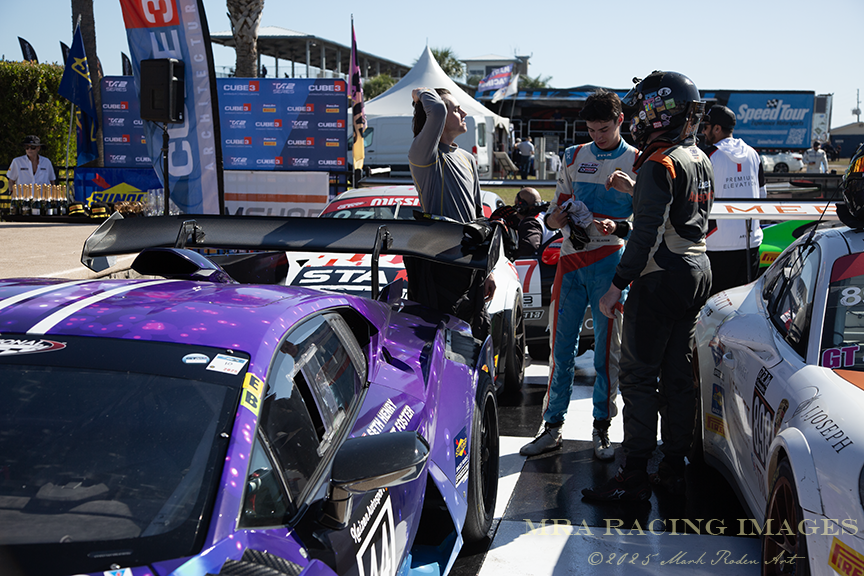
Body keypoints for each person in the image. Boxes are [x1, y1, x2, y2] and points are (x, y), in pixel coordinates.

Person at [584, 71, 713, 501]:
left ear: (660, 112)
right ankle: (673, 465)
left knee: (639, 377)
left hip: (660, 277)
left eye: (642, 109)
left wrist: (615, 285)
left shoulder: (661, 162)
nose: (637, 117)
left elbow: (646, 236)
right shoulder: (697, 157)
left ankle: (634, 474)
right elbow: (673, 218)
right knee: (678, 377)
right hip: (696, 269)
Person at [519, 89, 638, 460]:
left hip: (610, 265)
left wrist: (619, 219)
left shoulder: (637, 160)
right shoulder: (573, 155)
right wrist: (555, 219)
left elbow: (646, 221)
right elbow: (556, 210)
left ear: (620, 121)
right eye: (590, 129)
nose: (596, 136)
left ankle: (602, 429)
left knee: (606, 354)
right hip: (570, 262)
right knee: (560, 351)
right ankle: (552, 427)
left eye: (603, 129)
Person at [407, 87, 495, 339]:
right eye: (456, 109)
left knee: (474, 342)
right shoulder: (424, 155)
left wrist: (486, 272)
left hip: (471, 269)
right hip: (441, 268)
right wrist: (421, 92)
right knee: (444, 344)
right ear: (440, 117)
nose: (464, 112)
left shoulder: (467, 158)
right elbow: (434, 110)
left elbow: (479, 217)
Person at [701, 105, 766, 293]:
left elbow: (699, 200)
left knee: (716, 304)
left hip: (716, 244)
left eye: (706, 127)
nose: (704, 132)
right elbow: (763, 195)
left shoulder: (708, 156)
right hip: (751, 242)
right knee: (745, 303)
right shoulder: (754, 154)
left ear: (717, 128)